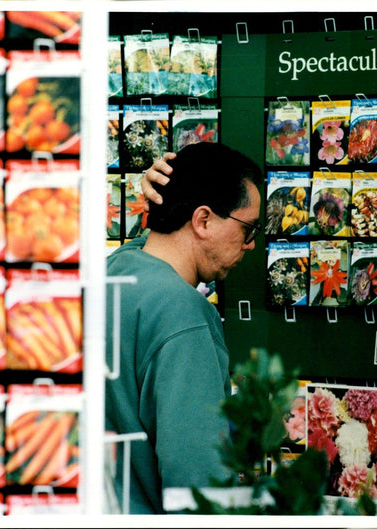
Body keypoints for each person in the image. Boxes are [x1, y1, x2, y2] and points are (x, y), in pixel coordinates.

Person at [105, 142, 263, 514]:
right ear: (203, 220)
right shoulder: (186, 318)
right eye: (248, 229)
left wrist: (167, 203)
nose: (252, 245)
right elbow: (197, 487)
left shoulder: (116, 269)